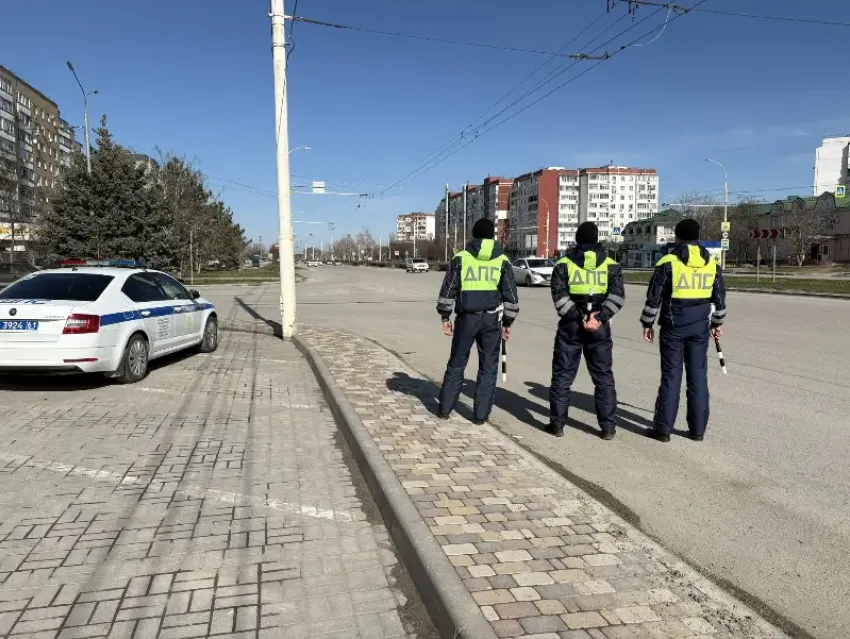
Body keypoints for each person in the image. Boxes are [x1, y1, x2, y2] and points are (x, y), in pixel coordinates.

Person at [639, 218, 727, 442]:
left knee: (671, 378)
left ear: (677, 237)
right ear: (698, 237)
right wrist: (716, 324)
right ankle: (697, 431)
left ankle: (663, 429)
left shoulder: (668, 262)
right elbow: (720, 301)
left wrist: (647, 324)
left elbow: (653, 299)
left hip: (673, 329)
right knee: (698, 378)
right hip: (699, 330)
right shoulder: (712, 264)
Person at [436, 218, 519, 424]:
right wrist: (507, 323)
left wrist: (445, 317)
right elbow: (511, 296)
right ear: (492, 235)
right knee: (489, 368)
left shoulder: (461, 258)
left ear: (473, 234)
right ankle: (480, 416)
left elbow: (448, 291)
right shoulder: (503, 260)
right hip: (492, 320)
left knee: (456, 364)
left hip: (466, 319)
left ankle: (445, 410)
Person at [547, 222, 625, 439]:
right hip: (599, 328)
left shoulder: (563, 264)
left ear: (577, 239)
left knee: (563, 376)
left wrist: (580, 317)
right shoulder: (611, 265)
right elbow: (617, 298)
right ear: (597, 239)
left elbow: (559, 297)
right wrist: (599, 318)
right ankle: (608, 428)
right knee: (603, 378)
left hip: (571, 327)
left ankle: (557, 425)